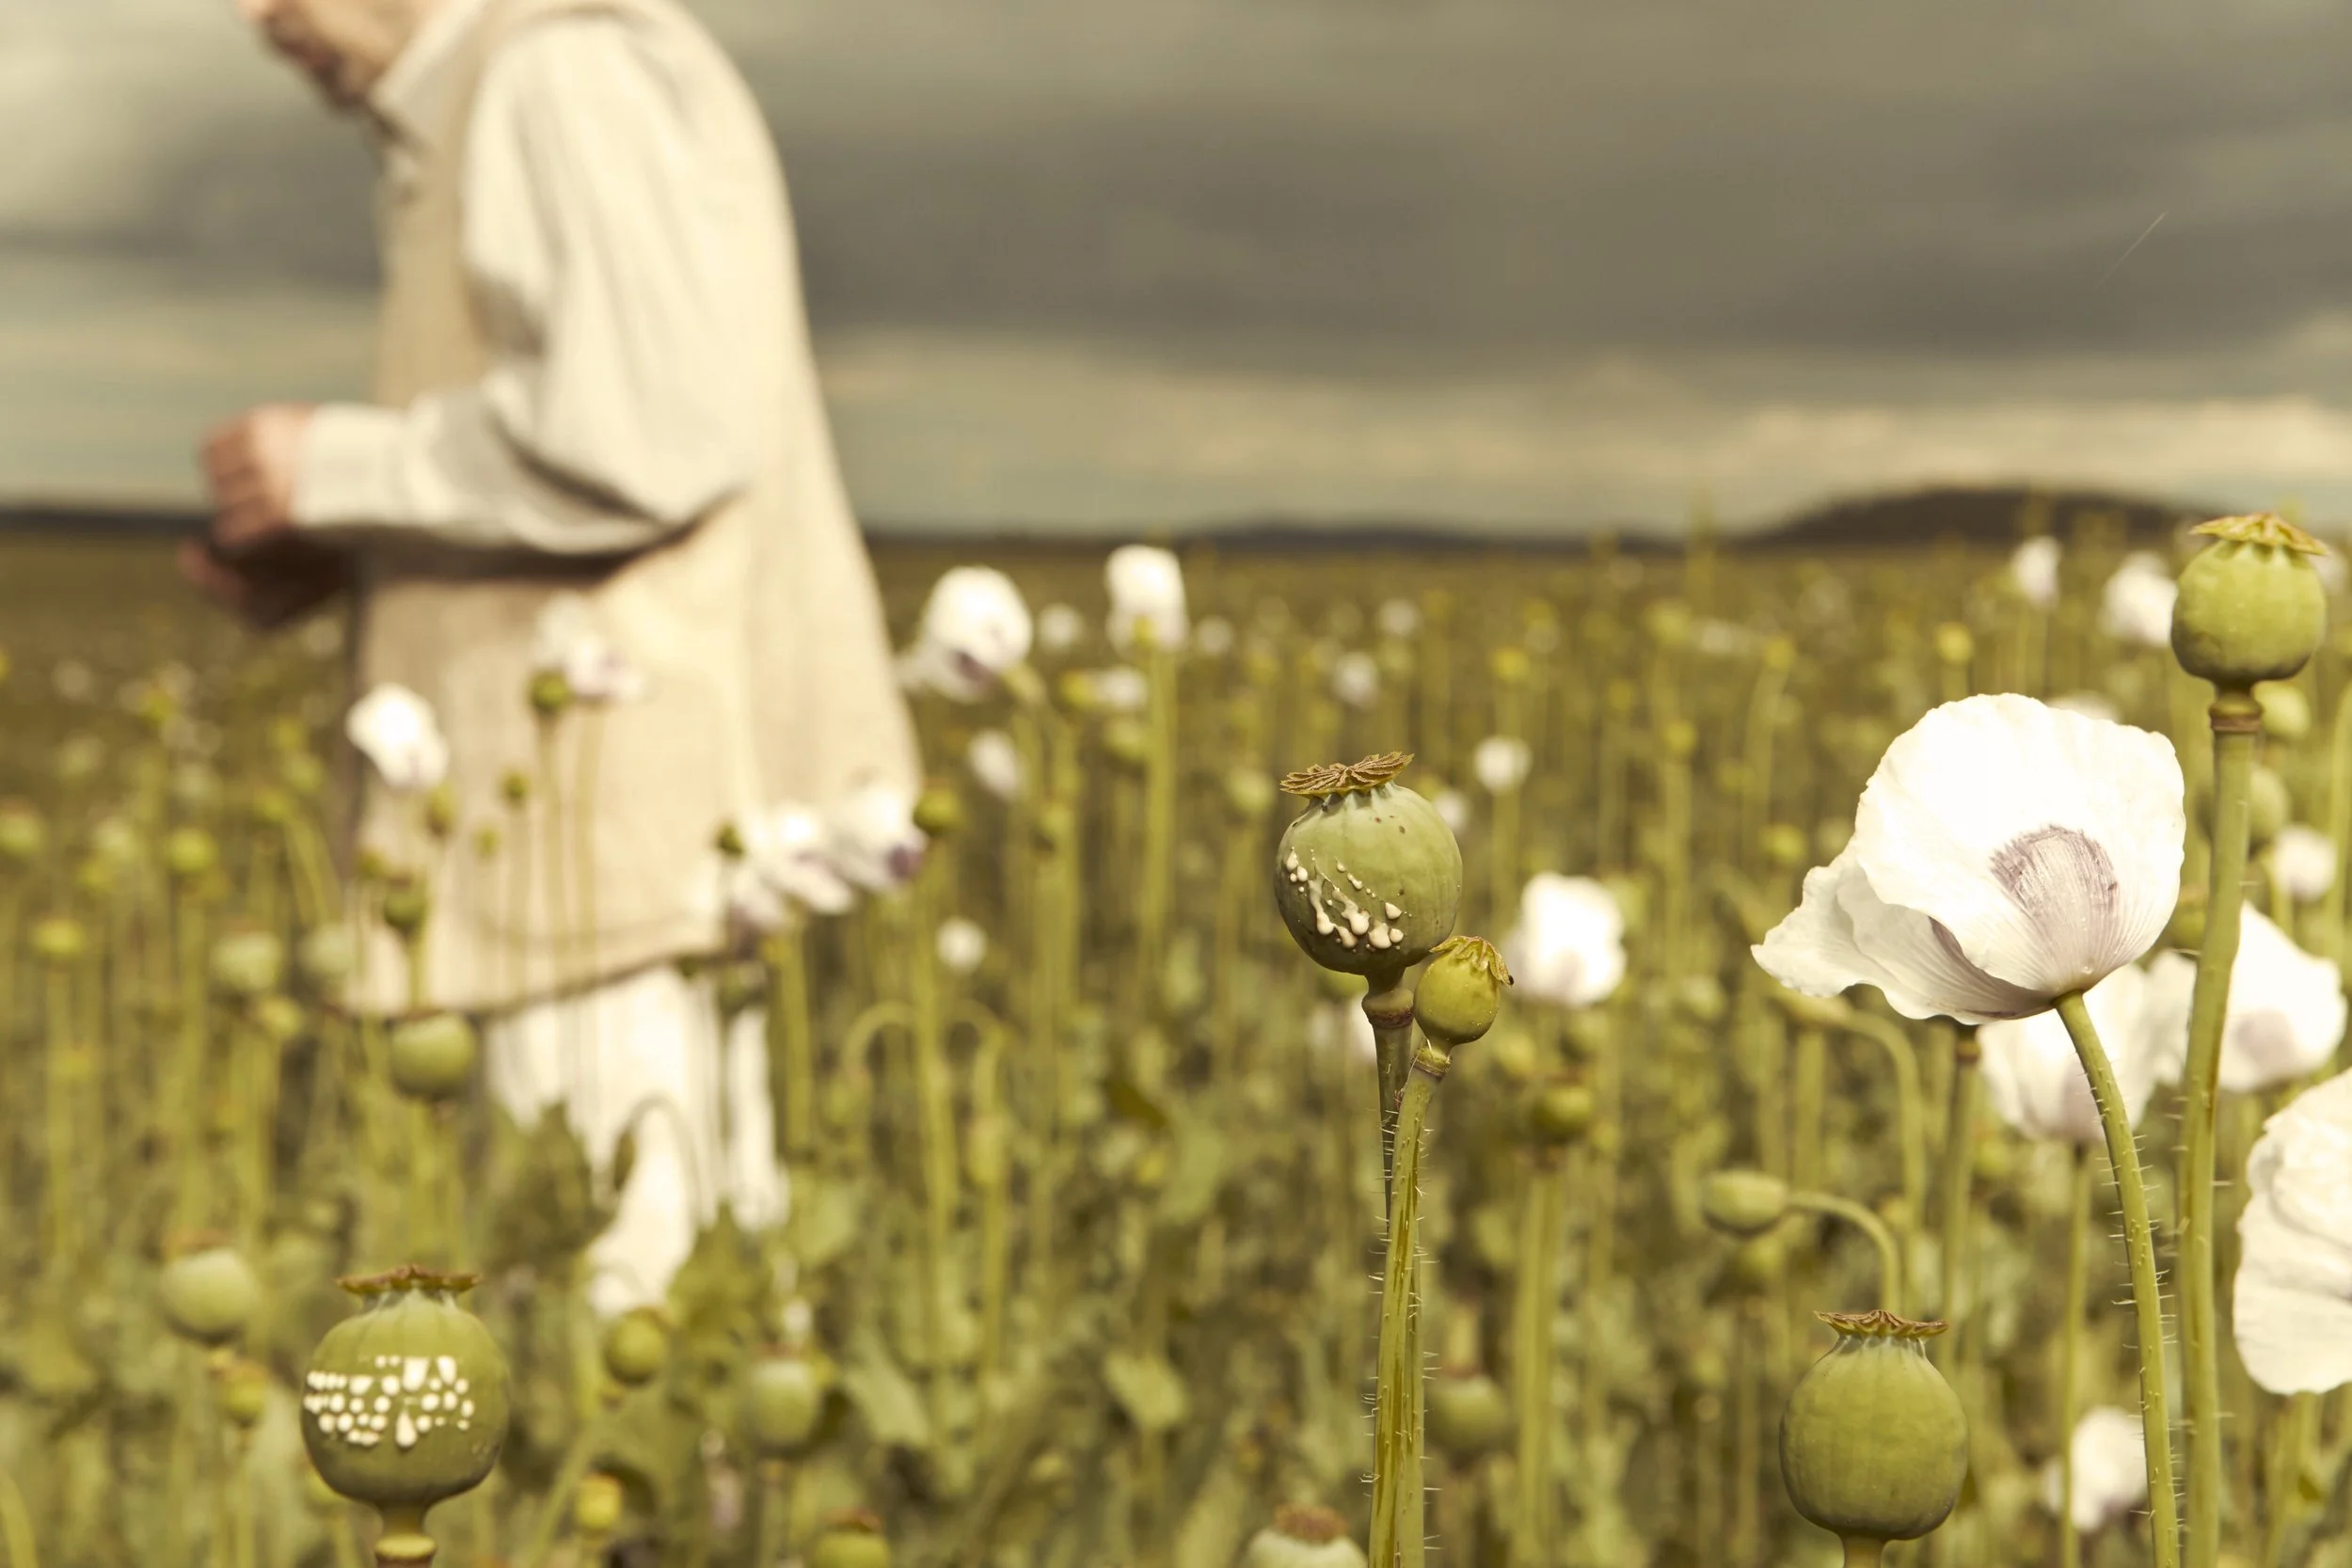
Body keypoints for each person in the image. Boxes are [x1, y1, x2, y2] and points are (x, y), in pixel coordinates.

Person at [192, 0, 921, 1312]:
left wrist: (336, 463)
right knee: (630, 1296)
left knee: (632, 1317)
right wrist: (343, 537)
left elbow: (647, 435)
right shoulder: (513, 80)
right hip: (582, 841)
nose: (261, 20)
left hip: (613, 845)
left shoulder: (559, 68)